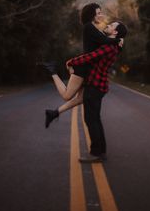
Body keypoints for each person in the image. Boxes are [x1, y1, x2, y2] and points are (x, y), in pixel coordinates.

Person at [44, 20, 128, 163]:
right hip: (98, 86)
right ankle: (101, 152)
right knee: (96, 120)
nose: (108, 25)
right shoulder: (113, 45)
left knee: (91, 120)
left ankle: (96, 153)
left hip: (94, 86)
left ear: (114, 32)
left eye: (111, 25)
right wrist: (119, 39)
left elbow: (91, 56)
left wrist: (71, 62)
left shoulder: (109, 46)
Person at [40, 3, 121, 126]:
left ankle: (54, 113)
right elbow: (106, 41)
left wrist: (117, 41)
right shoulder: (89, 27)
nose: (101, 15)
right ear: (92, 15)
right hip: (82, 69)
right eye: (99, 13)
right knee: (67, 96)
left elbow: (106, 46)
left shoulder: (94, 29)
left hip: (88, 70)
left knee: (81, 98)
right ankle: (53, 71)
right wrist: (118, 40)